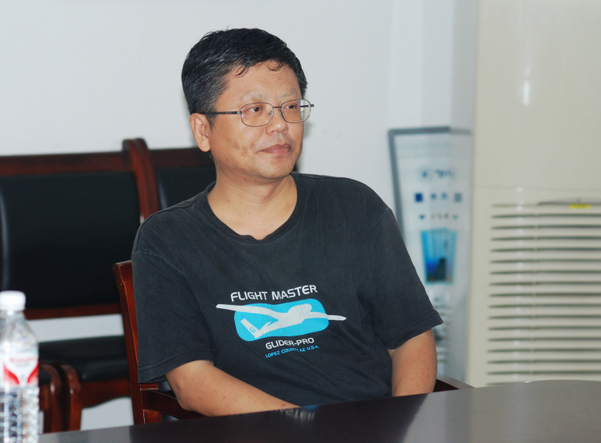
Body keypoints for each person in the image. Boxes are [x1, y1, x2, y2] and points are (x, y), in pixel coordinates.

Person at [131, 28, 443, 417]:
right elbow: (192, 382)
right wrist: (306, 428)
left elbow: (411, 339)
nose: (280, 125)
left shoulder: (355, 207)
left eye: (291, 106)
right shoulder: (169, 239)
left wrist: (404, 425)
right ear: (203, 130)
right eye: (254, 110)